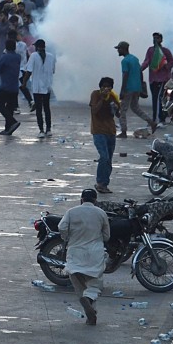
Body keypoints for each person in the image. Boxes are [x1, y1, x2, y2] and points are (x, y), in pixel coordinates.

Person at [58, 188, 110, 325]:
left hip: (75, 253)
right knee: (94, 284)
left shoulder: (71, 212)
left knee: (79, 285)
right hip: (95, 253)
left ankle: (89, 311)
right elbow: (106, 236)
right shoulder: (101, 213)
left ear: (81, 199)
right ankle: (90, 304)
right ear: (95, 201)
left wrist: (68, 238)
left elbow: (62, 227)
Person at [115, 40, 156, 137]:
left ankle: (124, 131)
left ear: (124, 49)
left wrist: (122, 90)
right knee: (135, 108)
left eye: (119, 49)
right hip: (137, 88)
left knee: (122, 110)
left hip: (129, 88)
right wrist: (141, 85)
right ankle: (151, 122)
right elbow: (140, 72)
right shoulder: (135, 59)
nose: (118, 51)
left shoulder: (125, 61)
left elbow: (125, 75)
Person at [89, 77, 121, 194]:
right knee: (104, 157)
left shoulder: (113, 97)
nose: (106, 89)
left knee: (109, 160)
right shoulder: (95, 95)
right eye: (104, 86)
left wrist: (116, 108)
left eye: (108, 87)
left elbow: (118, 114)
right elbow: (94, 111)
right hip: (98, 131)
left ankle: (104, 184)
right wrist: (102, 99)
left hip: (111, 132)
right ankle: (100, 182)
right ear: (100, 87)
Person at [23, 39, 57, 137]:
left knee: (38, 109)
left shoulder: (33, 56)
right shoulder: (51, 56)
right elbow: (53, 70)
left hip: (37, 86)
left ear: (37, 47)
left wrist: (24, 83)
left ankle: (41, 130)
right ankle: (49, 129)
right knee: (47, 108)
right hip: (47, 86)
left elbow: (28, 71)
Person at [141, 32, 173, 124]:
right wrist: (140, 69)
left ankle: (160, 118)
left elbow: (172, 62)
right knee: (155, 98)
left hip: (164, 78)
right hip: (153, 78)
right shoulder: (150, 50)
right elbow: (147, 61)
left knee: (160, 98)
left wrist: (166, 66)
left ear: (161, 40)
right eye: (154, 38)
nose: (155, 40)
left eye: (157, 38)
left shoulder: (165, 51)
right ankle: (154, 118)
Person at [0, 39, 23, 136]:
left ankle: (13, 121)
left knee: (0, 105)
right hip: (15, 87)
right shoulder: (18, 57)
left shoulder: (5, 57)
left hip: (5, 86)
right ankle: (8, 129)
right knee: (10, 108)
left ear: (6, 47)